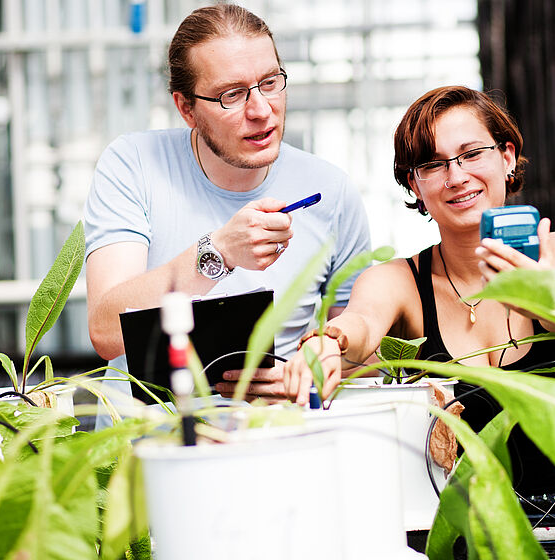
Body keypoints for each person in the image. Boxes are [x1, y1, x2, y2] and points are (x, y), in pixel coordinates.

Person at [283, 85, 555, 536]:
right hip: (454, 530)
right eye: (433, 164)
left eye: (472, 154)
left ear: (507, 158)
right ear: (415, 183)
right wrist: (330, 343)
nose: (456, 177)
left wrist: (538, 289)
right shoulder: (399, 279)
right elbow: (363, 321)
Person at [84, 4, 370, 403]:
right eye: (231, 95)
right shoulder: (134, 164)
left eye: (270, 82)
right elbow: (105, 331)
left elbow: (357, 348)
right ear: (186, 108)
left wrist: (311, 369)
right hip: (148, 451)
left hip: (277, 440)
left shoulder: (330, 189)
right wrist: (218, 252)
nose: (261, 110)